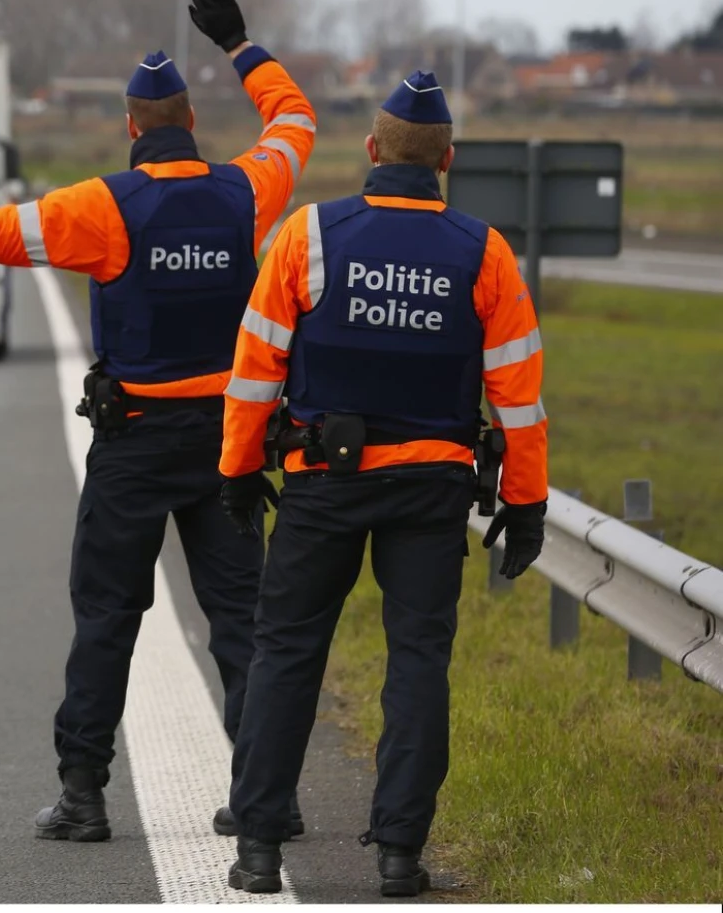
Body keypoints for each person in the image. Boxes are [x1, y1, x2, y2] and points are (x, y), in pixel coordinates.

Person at [0, 0, 316, 841]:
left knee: (108, 617)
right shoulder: (247, 191)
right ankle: (269, 796)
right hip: (229, 442)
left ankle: (83, 797)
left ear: (131, 128)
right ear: (192, 121)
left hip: (134, 443)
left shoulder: (101, 207)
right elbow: (294, 121)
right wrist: (240, 44)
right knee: (244, 620)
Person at [212, 71, 548, 896]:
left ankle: (259, 848)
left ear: (371, 150)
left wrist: (238, 470)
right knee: (418, 662)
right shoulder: (485, 251)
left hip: (322, 484)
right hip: (432, 493)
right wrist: (527, 500)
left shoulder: (309, 234)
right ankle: (400, 854)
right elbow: (517, 394)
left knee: (286, 654)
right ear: (447, 160)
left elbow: (254, 370)